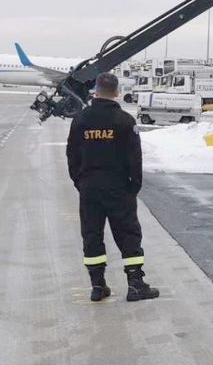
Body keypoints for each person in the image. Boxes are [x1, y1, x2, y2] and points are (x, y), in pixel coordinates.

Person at [66, 72, 159, 302]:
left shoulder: (81, 120)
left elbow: (72, 156)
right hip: (119, 189)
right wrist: (133, 187)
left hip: (89, 189)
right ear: (117, 93)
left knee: (92, 235)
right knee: (128, 234)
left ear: (95, 91)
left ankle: (98, 286)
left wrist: (81, 183)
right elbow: (134, 159)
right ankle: (136, 284)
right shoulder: (125, 121)